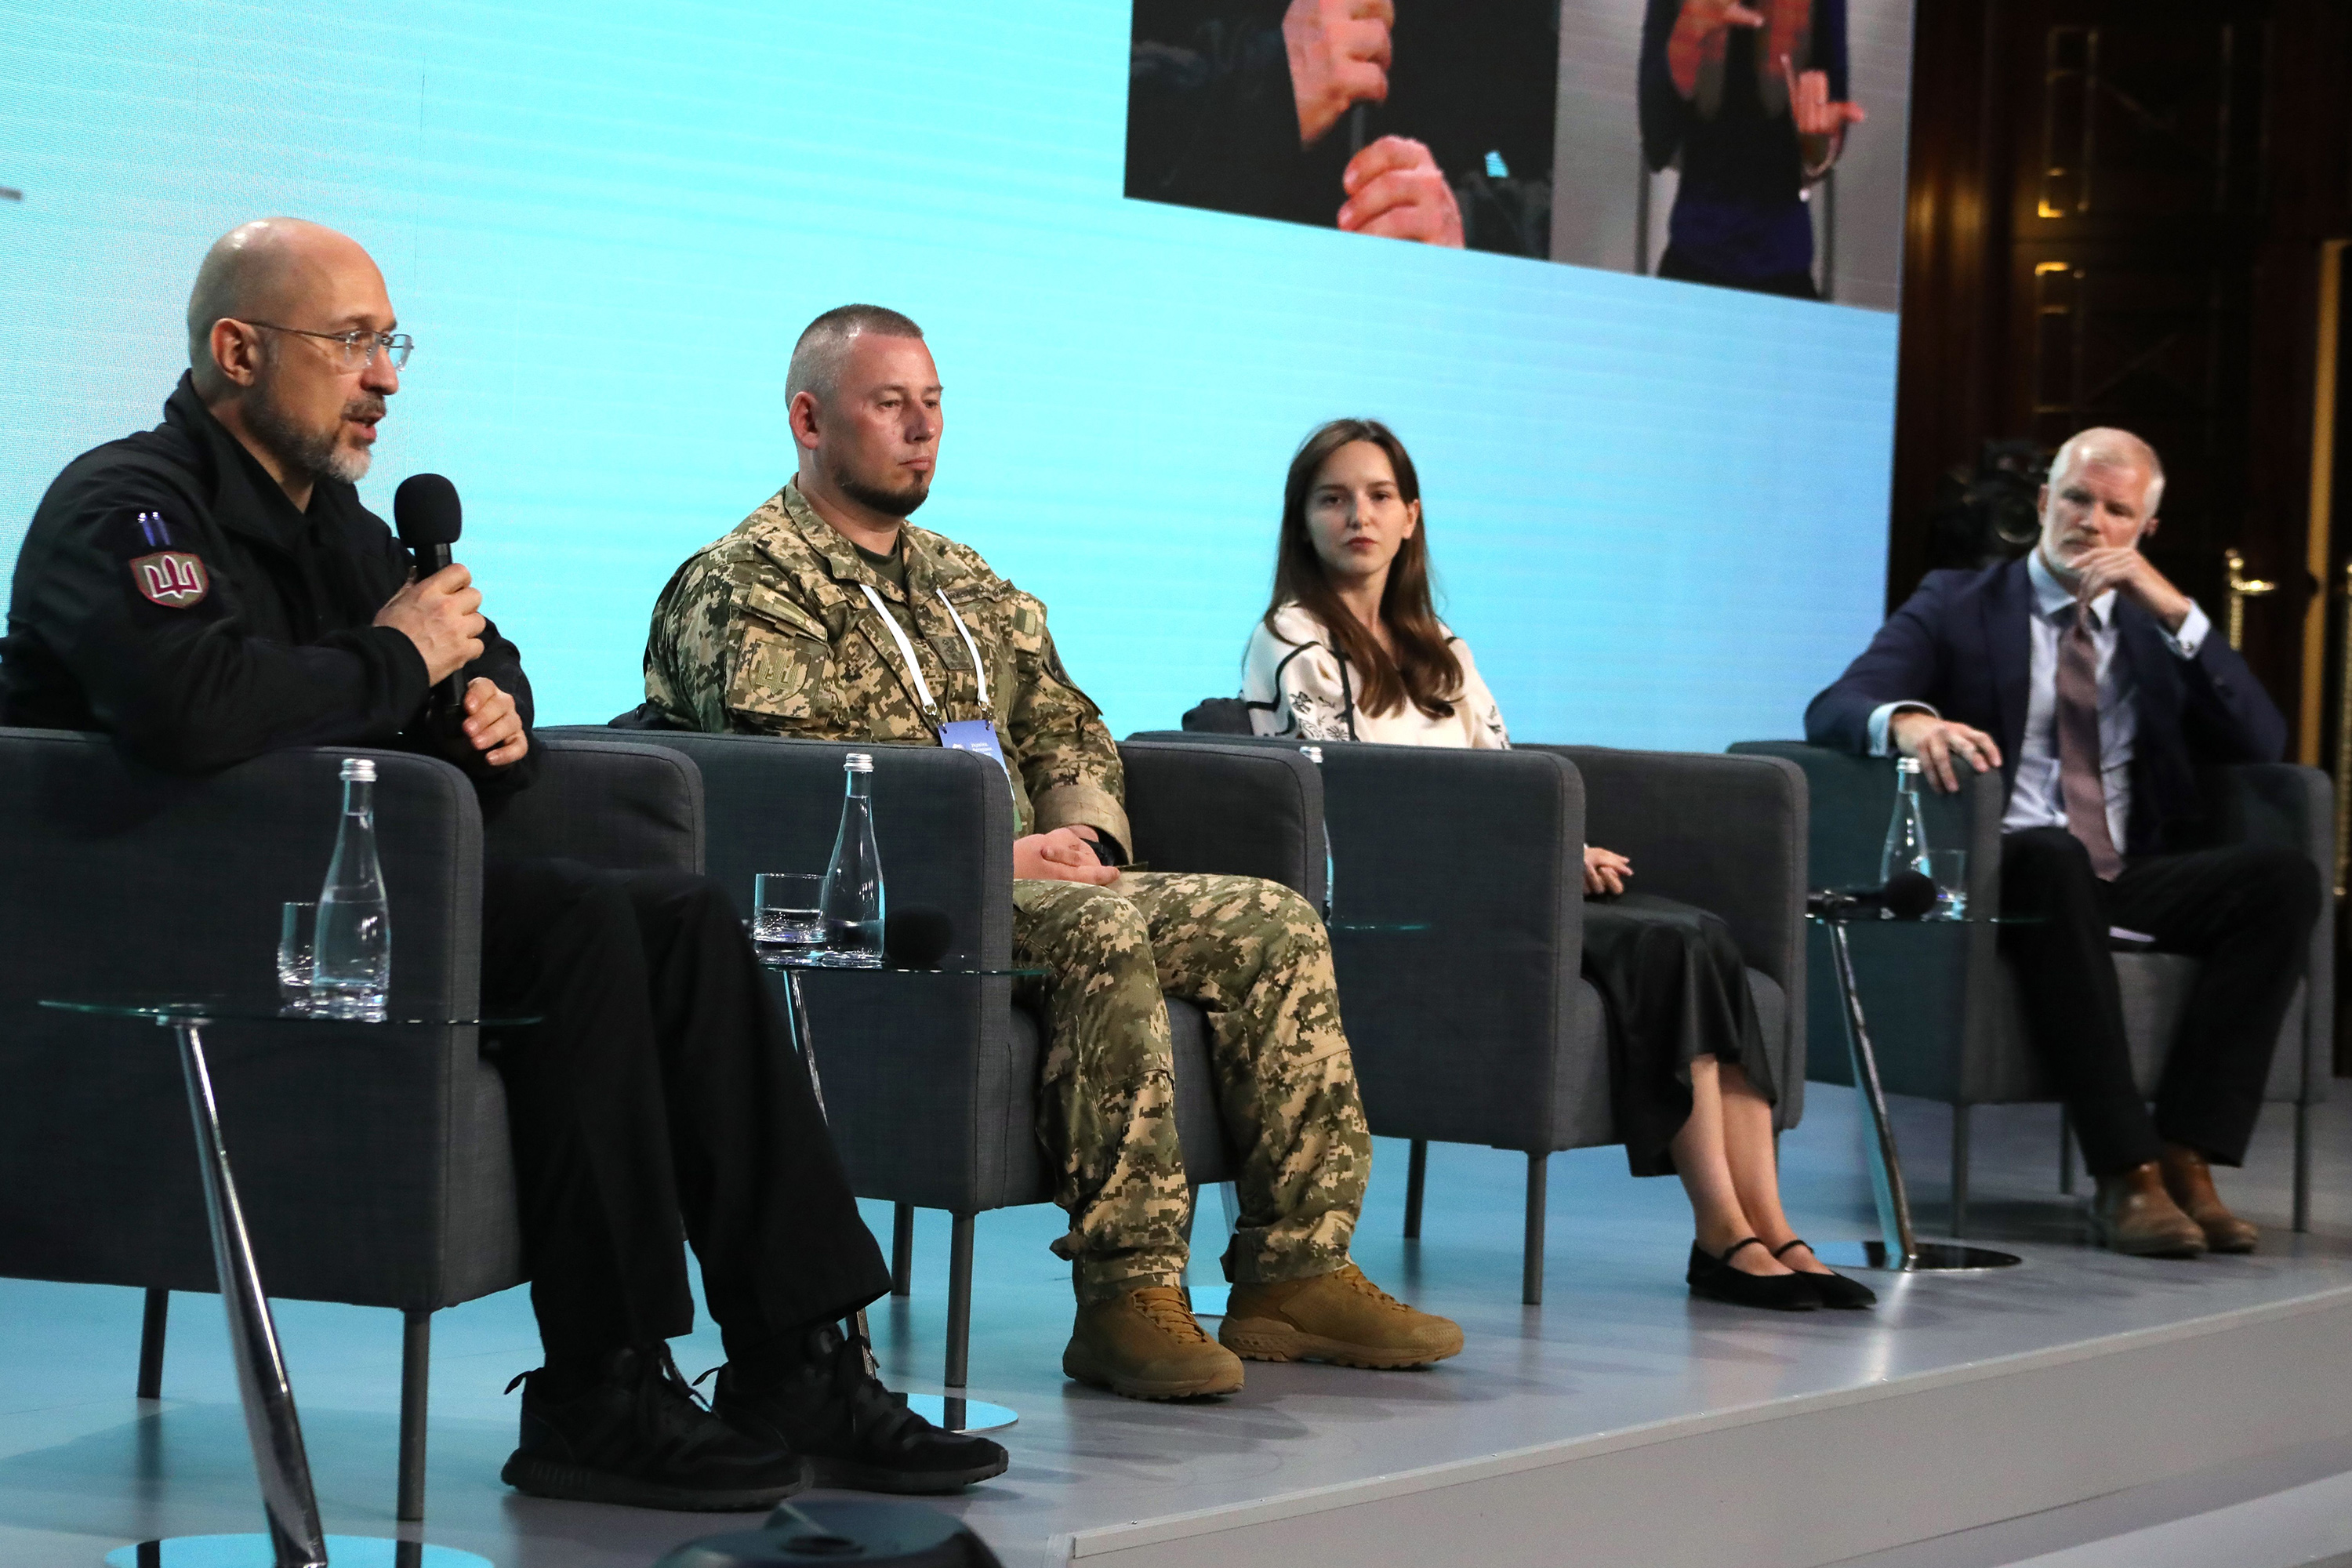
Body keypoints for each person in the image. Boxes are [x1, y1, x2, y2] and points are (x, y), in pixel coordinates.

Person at [0, 220, 1007, 1509]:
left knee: (687, 921)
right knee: (582, 924)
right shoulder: (127, 507)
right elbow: (197, 708)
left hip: (341, 903)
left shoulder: (346, 531)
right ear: (237, 351)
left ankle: (797, 1354)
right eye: (353, 344)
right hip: (183, 936)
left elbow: (471, 652)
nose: (386, 378)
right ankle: (599, 1387)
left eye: (391, 344)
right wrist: (401, 664)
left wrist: (490, 707)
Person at [639, 305, 1465, 1399]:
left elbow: (1066, 722)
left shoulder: (961, 579)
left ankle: (1295, 1270)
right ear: (808, 417)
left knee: (1275, 921)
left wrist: (1082, 829)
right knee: (1103, 925)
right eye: (890, 405)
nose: (921, 429)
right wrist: (994, 856)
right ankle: (1129, 1295)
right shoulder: (748, 582)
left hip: (1028, 870)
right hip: (889, 903)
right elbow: (803, 783)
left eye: (933, 406)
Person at [1243, 418, 1874, 1311]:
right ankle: (1720, 1234)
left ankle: (1770, 1226)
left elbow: (1504, 772)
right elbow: (1353, 800)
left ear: (1412, 516)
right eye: (1334, 498)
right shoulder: (1294, 636)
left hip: (1497, 879)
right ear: (1302, 520)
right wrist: (1534, 854)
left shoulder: (1439, 644)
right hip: (1399, 903)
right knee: (1662, 945)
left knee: (1698, 935)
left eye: (1380, 496)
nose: (1360, 516)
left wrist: (1559, 845)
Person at [1806, 427, 2319, 1258]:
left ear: (2143, 532)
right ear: (2044, 501)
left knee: (2284, 879)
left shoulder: (2158, 632)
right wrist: (1906, 719)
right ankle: (2126, 1173)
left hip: (2127, 868)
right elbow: (1838, 701)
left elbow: (2262, 738)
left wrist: (2179, 611)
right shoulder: (1959, 601)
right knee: (2052, 852)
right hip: (2016, 865)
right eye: (2077, 498)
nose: (2091, 520)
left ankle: (2188, 1153)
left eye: (2117, 510)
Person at [1638, 0, 1865, 298]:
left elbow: (1820, 154)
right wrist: (1688, 33)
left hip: (1781, 262)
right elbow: (1656, 142)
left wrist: (1818, 138)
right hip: (1694, 252)